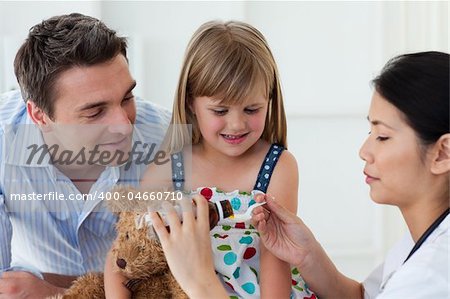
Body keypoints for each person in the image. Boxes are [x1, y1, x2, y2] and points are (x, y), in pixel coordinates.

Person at [149, 51, 450, 299]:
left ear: (442, 153)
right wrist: (308, 256)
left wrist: (200, 281)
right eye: (369, 131)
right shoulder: (421, 248)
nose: (364, 150)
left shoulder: (431, 278)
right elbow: (365, 297)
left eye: (382, 136)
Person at [104, 20, 315, 298]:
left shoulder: (277, 167)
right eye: (219, 111)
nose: (237, 124)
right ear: (191, 102)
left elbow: (276, 261)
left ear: (270, 99)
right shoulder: (171, 167)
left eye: (252, 109)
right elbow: (126, 246)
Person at [0, 13, 170, 297]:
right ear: (39, 116)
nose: (123, 125)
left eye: (127, 98)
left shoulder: (167, 138)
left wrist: (56, 293)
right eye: (95, 112)